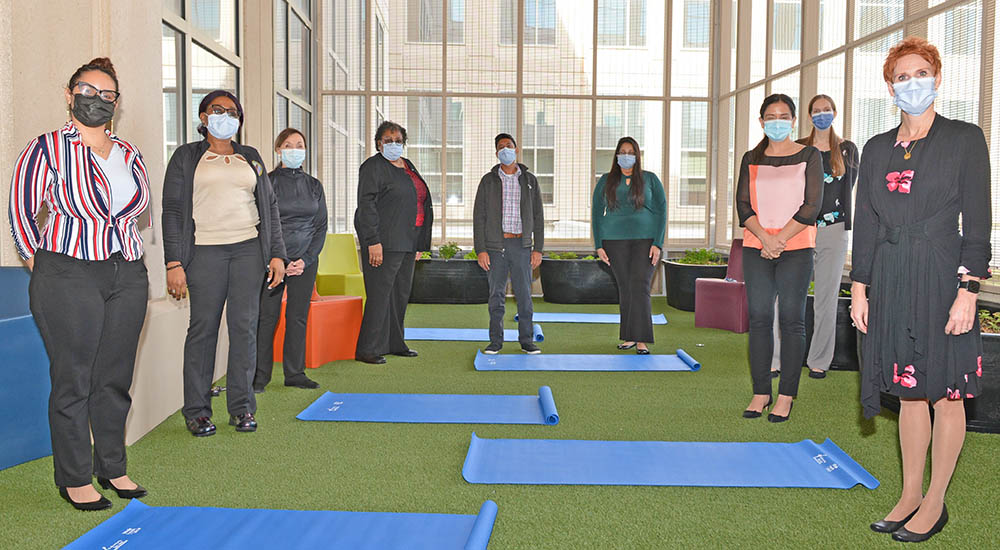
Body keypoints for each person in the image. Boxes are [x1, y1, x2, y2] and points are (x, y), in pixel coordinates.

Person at [851, 37, 990, 543]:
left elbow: (977, 222)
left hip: (941, 274)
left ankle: (936, 501)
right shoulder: (875, 147)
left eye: (921, 72)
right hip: (889, 276)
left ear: (937, 77)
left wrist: (969, 288)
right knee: (909, 392)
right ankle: (910, 494)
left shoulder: (964, 139)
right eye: (903, 75)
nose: (913, 82)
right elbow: (864, 223)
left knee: (946, 392)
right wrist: (860, 288)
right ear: (890, 86)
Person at [8, 58, 150, 510]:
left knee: (114, 378)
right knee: (74, 379)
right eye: (88, 91)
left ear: (116, 103)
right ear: (70, 96)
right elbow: (20, 210)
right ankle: (74, 477)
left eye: (107, 95)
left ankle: (112, 467)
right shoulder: (46, 147)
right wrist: (41, 264)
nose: (97, 100)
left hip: (126, 270)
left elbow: (137, 211)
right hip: (68, 270)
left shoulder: (129, 153)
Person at [162, 90, 286, 437]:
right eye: (218, 110)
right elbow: (172, 210)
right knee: (203, 331)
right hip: (205, 253)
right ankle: (198, 411)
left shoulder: (252, 158)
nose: (226, 116)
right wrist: (174, 262)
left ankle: (242, 407)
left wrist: (277, 253)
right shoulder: (187, 157)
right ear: (203, 117)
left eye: (233, 112)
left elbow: (269, 208)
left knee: (245, 330)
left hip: (248, 251)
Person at [736, 94, 823, 423]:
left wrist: (781, 239)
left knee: (791, 319)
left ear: (793, 121)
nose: (777, 121)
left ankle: (786, 395)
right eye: (770, 116)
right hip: (756, 245)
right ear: (761, 122)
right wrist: (765, 238)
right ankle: (761, 391)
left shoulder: (809, 156)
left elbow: (812, 205)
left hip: (796, 248)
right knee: (758, 317)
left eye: (783, 116)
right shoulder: (751, 158)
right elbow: (743, 205)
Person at [769, 95, 860, 380]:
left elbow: (847, 188)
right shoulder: (798, 148)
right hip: (799, 228)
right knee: (784, 295)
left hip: (833, 230)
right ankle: (777, 358)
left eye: (827, 110)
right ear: (809, 116)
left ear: (835, 113)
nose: (822, 114)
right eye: (817, 111)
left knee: (826, 297)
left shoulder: (847, 150)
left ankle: (819, 359)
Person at [254, 128, 327, 392]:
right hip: (273, 262)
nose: (295, 149)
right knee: (267, 318)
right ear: (278, 150)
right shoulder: (267, 182)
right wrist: (277, 259)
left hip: (305, 262)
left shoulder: (314, 186)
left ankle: (295, 373)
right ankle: (259, 377)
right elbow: (261, 224)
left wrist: (306, 260)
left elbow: (321, 227)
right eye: (288, 144)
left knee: (298, 317)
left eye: (299, 145)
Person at [354, 121, 433, 364]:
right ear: (379, 143)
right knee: (380, 296)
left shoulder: (407, 165)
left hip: (408, 242)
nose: (393, 144)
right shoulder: (372, 167)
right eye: (388, 140)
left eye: (398, 140)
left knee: (400, 295)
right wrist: (372, 241)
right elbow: (366, 206)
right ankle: (368, 348)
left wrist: (419, 244)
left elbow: (418, 202)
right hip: (384, 243)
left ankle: (395, 343)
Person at [592, 137, 667, 355]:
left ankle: (641, 339)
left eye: (630, 151)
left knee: (640, 286)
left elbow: (662, 211)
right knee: (625, 288)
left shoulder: (650, 179)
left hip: (645, 241)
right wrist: (599, 245)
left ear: (637, 155)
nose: (626, 155)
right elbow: (597, 213)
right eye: (622, 151)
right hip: (614, 242)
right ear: (616, 155)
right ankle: (629, 336)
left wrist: (658, 243)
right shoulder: (606, 180)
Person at [473, 133, 544, 355]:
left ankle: (526, 341)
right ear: (496, 153)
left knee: (524, 295)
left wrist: (538, 249)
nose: (505, 149)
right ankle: (495, 341)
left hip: (522, 245)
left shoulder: (530, 181)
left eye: (509, 146)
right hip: (495, 247)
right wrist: (481, 250)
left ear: (516, 149)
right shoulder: (488, 181)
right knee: (496, 296)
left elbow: (539, 217)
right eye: (501, 147)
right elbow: (479, 217)